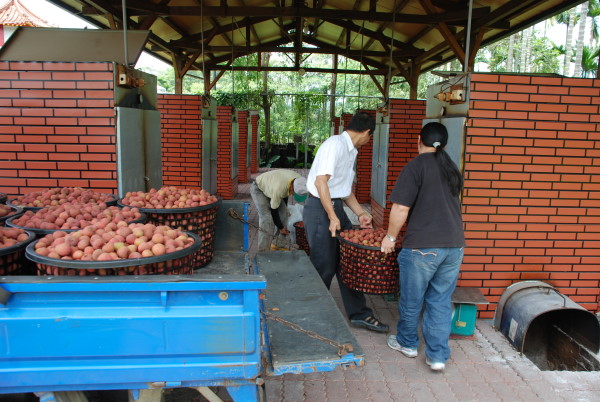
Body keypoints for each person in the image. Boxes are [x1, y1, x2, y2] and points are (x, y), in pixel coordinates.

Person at [381, 122, 465, 371]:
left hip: (423, 246)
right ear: (445, 144)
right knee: (440, 300)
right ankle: (437, 356)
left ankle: (407, 343)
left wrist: (391, 238)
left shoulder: (415, 166)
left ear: (419, 139)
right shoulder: (451, 168)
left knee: (412, 299)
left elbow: (400, 208)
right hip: (454, 246)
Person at [303, 111, 388, 333]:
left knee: (348, 261)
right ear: (368, 132)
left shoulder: (351, 150)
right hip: (319, 208)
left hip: (334, 206)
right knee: (324, 264)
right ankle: (310, 316)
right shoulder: (335, 145)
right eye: (371, 137)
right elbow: (321, 182)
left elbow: (343, 190)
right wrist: (332, 216)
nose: (369, 141)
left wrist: (361, 213)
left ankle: (359, 314)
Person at [250, 169, 308, 252]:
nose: (293, 194)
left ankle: (279, 243)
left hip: (272, 187)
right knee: (266, 218)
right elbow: (274, 210)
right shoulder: (279, 189)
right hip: (259, 188)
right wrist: (280, 227)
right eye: (294, 192)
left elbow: (285, 195)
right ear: (292, 187)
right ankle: (263, 250)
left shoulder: (299, 180)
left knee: (285, 212)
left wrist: (284, 211)